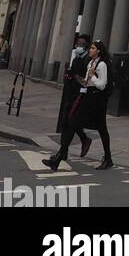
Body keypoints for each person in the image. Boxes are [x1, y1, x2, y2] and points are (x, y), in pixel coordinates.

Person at [43, 40, 114, 171]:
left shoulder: (102, 64)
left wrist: (92, 76)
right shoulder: (91, 63)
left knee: (96, 128)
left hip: (97, 101)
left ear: (98, 50)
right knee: (75, 124)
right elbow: (88, 82)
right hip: (88, 98)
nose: (90, 50)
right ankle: (59, 157)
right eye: (91, 48)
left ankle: (59, 157)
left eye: (93, 48)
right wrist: (83, 81)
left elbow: (102, 85)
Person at [56, 34, 92, 157]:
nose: (79, 46)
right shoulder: (76, 57)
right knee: (67, 122)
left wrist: (80, 80)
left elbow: (84, 77)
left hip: (79, 96)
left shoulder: (87, 59)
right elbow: (72, 72)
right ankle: (65, 151)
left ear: (86, 46)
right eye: (77, 44)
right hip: (70, 93)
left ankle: (61, 153)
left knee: (71, 123)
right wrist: (69, 75)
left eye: (82, 45)